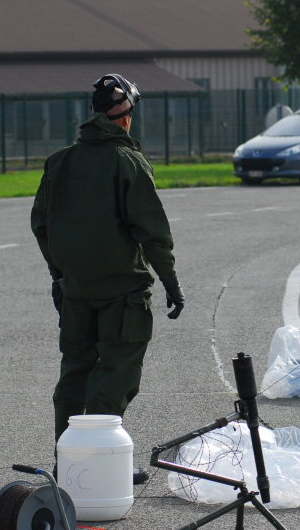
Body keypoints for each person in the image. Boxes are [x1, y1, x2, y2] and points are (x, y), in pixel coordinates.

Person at [31, 74, 185, 482]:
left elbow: (41, 225)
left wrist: (59, 272)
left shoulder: (60, 162)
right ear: (126, 116)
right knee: (114, 374)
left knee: (74, 373)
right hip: (121, 292)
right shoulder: (128, 161)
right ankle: (99, 465)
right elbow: (151, 230)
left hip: (75, 291)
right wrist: (170, 280)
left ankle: (68, 461)